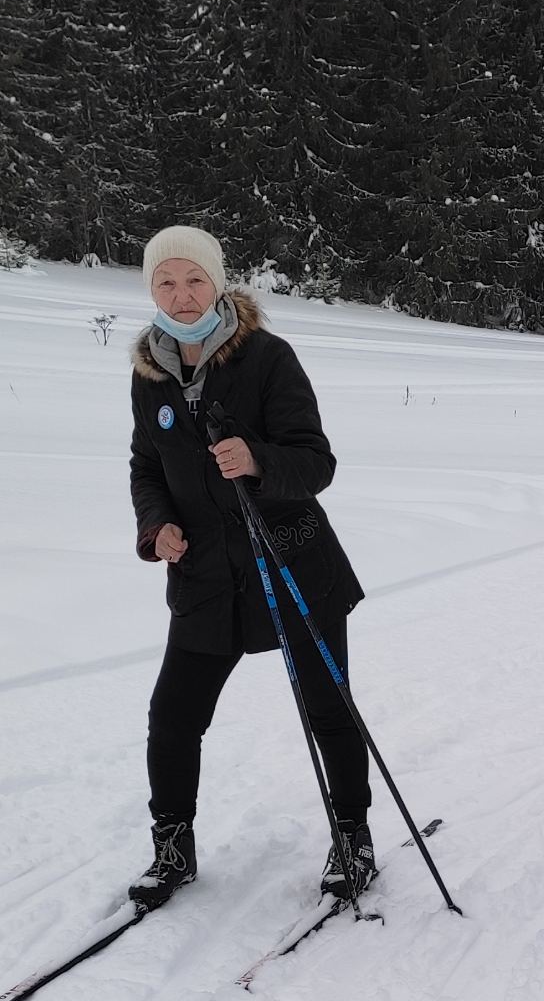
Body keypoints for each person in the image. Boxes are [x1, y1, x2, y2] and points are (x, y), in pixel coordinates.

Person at [127, 226, 372, 908]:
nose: (181, 296)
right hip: (205, 575)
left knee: (329, 709)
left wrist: (259, 459)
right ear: (151, 289)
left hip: (289, 559)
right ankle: (172, 845)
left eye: (194, 281)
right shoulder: (150, 373)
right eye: (166, 283)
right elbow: (147, 465)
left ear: (219, 283)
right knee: (173, 715)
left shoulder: (267, 357)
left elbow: (316, 462)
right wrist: (157, 527)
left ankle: (353, 834)